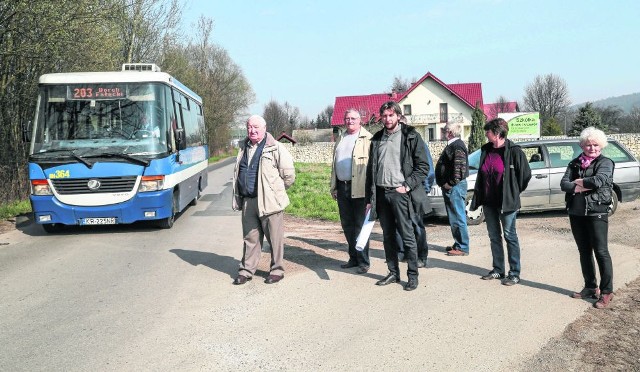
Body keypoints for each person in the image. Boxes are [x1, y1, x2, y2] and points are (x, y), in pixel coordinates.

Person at [365, 101, 430, 291]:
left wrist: (407, 186)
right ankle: (393, 272)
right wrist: (370, 198)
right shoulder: (377, 138)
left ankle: (412, 275)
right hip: (381, 193)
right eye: (384, 116)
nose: (387, 119)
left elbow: (423, 167)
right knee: (388, 236)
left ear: (398, 116)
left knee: (407, 235)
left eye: (391, 115)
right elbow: (371, 170)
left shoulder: (410, 136)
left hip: (400, 193)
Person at [231, 115, 296, 285]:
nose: (252, 130)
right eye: (249, 127)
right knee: (250, 239)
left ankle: (277, 270)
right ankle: (246, 270)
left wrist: (276, 192)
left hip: (270, 202)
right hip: (248, 201)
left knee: (275, 239)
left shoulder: (275, 147)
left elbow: (289, 175)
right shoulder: (243, 147)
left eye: (256, 127)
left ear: (264, 128)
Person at [470, 118, 531, 286]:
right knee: (494, 236)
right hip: (489, 202)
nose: (485, 135)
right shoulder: (486, 150)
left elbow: (525, 175)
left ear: (497, 133)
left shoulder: (514, 152)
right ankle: (498, 269)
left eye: (488, 132)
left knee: (510, 236)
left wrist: (513, 191)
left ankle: (514, 273)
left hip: (507, 203)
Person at [560, 127, 615, 308]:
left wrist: (577, 183)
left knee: (601, 251)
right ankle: (590, 286)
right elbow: (563, 184)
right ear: (582, 146)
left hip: (596, 211)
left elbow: (599, 180)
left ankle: (606, 291)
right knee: (584, 251)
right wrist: (578, 186)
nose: (592, 148)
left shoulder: (605, 162)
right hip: (576, 213)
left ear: (601, 146)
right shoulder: (574, 163)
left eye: (595, 145)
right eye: (588, 145)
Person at [330, 109, 373, 274]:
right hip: (342, 187)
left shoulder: (368, 138)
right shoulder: (340, 138)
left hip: (360, 188)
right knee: (347, 225)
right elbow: (334, 165)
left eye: (353, 118)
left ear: (360, 120)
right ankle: (353, 258)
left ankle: (363, 261)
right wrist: (334, 187)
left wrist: (371, 192)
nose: (349, 121)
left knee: (360, 226)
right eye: (347, 118)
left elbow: (372, 167)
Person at [396, 142, 434, 268]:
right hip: (398, 192)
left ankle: (421, 256)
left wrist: (425, 189)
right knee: (401, 224)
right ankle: (406, 253)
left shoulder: (417, 143)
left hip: (415, 191)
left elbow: (427, 169)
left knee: (417, 225)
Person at [435, 122, 470, 257]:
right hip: (453, 187)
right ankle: (458, 243)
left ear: (449, 132)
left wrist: (449, 183)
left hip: (455, 187)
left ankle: (463, 247)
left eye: (444, 130)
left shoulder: (457, 146)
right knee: (454, 216)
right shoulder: (454, 145)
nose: (443, 132)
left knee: (458, 216)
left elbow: (459, 169)